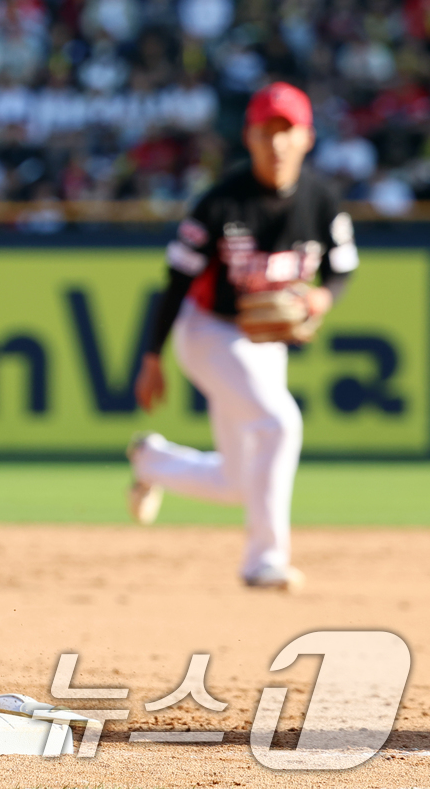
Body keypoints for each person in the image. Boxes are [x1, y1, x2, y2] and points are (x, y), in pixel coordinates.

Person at [128, 82, 358, 592]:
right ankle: (264, 559)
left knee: (239, 481)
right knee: (281, 422)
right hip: (210, 332)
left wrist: (322, 298)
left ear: (307, 138)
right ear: (249, 138)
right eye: (266, 130)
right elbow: (176, 281)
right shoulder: (221, 202)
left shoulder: (320, 199)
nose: (277, 142)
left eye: (287, 130)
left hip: (265, 345)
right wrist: (151, 356)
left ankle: (150, 460)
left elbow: (342, 268)